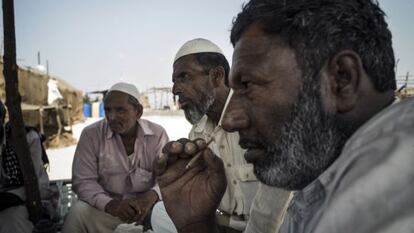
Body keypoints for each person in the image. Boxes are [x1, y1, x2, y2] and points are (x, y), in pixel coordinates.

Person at [154, 0, 414, 233]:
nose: (231, 120)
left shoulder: (388, 199)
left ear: (341, 79)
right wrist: (197, 226)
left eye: (249, 85)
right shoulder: (322, 175)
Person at [151, 38, 290, 233]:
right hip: (222, 225)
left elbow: (277, 198)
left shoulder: (257, 117)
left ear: (216, 76)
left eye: (184, 77)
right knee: (160, 212)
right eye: (174, 81)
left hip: (271, 228)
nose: (175, 89)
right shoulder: (196, 134)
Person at [62, 82, 169, 233]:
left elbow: (168, 178)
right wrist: (112, 205)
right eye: (108, 110)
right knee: (78, 213)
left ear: (138, 111)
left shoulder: (157, 135)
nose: (112, 117)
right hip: (108, 211)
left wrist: (150, 197)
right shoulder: (91, 134)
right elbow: (83, 181)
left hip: (147, 212)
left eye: (120, 110)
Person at [0, 100, 53, 233]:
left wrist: (13, 196)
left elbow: (40, 186)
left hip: (25, 203)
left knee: (12, 219)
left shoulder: (26, 139)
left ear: (1, 119)